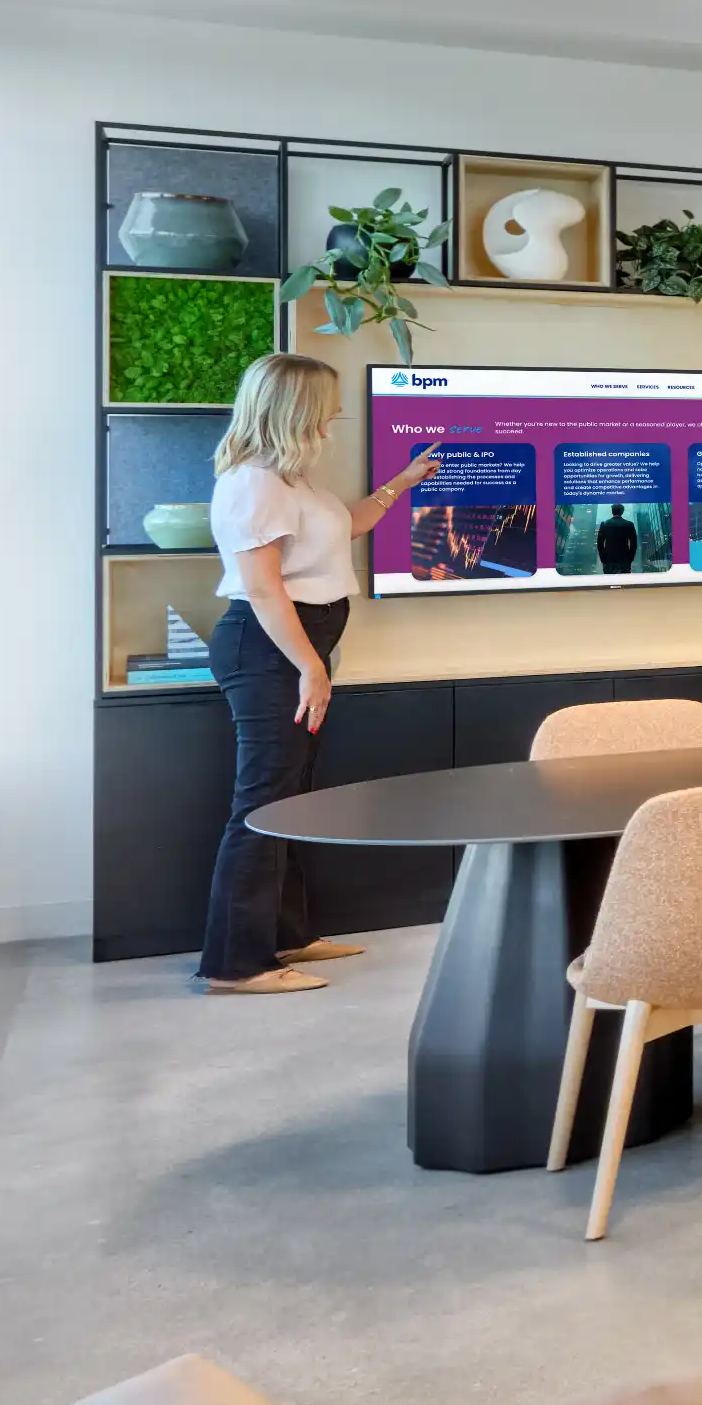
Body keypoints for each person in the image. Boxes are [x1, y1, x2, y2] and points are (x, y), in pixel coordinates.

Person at [196, 353, 444, 994]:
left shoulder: (295, 482)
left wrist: (404, 481)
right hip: (267, 651)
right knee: (261, 804)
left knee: (289, 801)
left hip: (293, 652)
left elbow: (351, 524)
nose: (336, 416)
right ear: (296, 409)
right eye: (327, 405)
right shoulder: (253, 484)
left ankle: (286, 935)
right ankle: (235, 965)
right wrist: (311, 666)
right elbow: (264, 590)